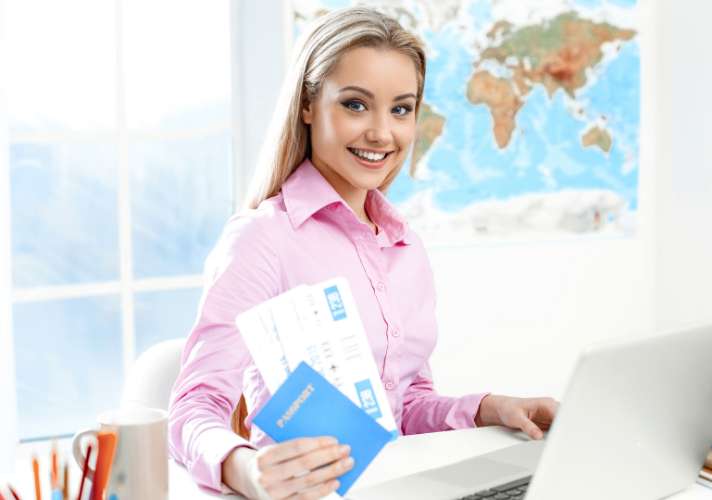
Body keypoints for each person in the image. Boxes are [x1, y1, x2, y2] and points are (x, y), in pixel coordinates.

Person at [168, 7, 558, 500]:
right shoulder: (262, 239)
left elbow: (404, 408)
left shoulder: (404, 246)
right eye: (355, 105)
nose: (381, 132)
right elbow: (193, 408)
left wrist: (490, 409)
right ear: (308, 105)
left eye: (400, 109)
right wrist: (247, 471)